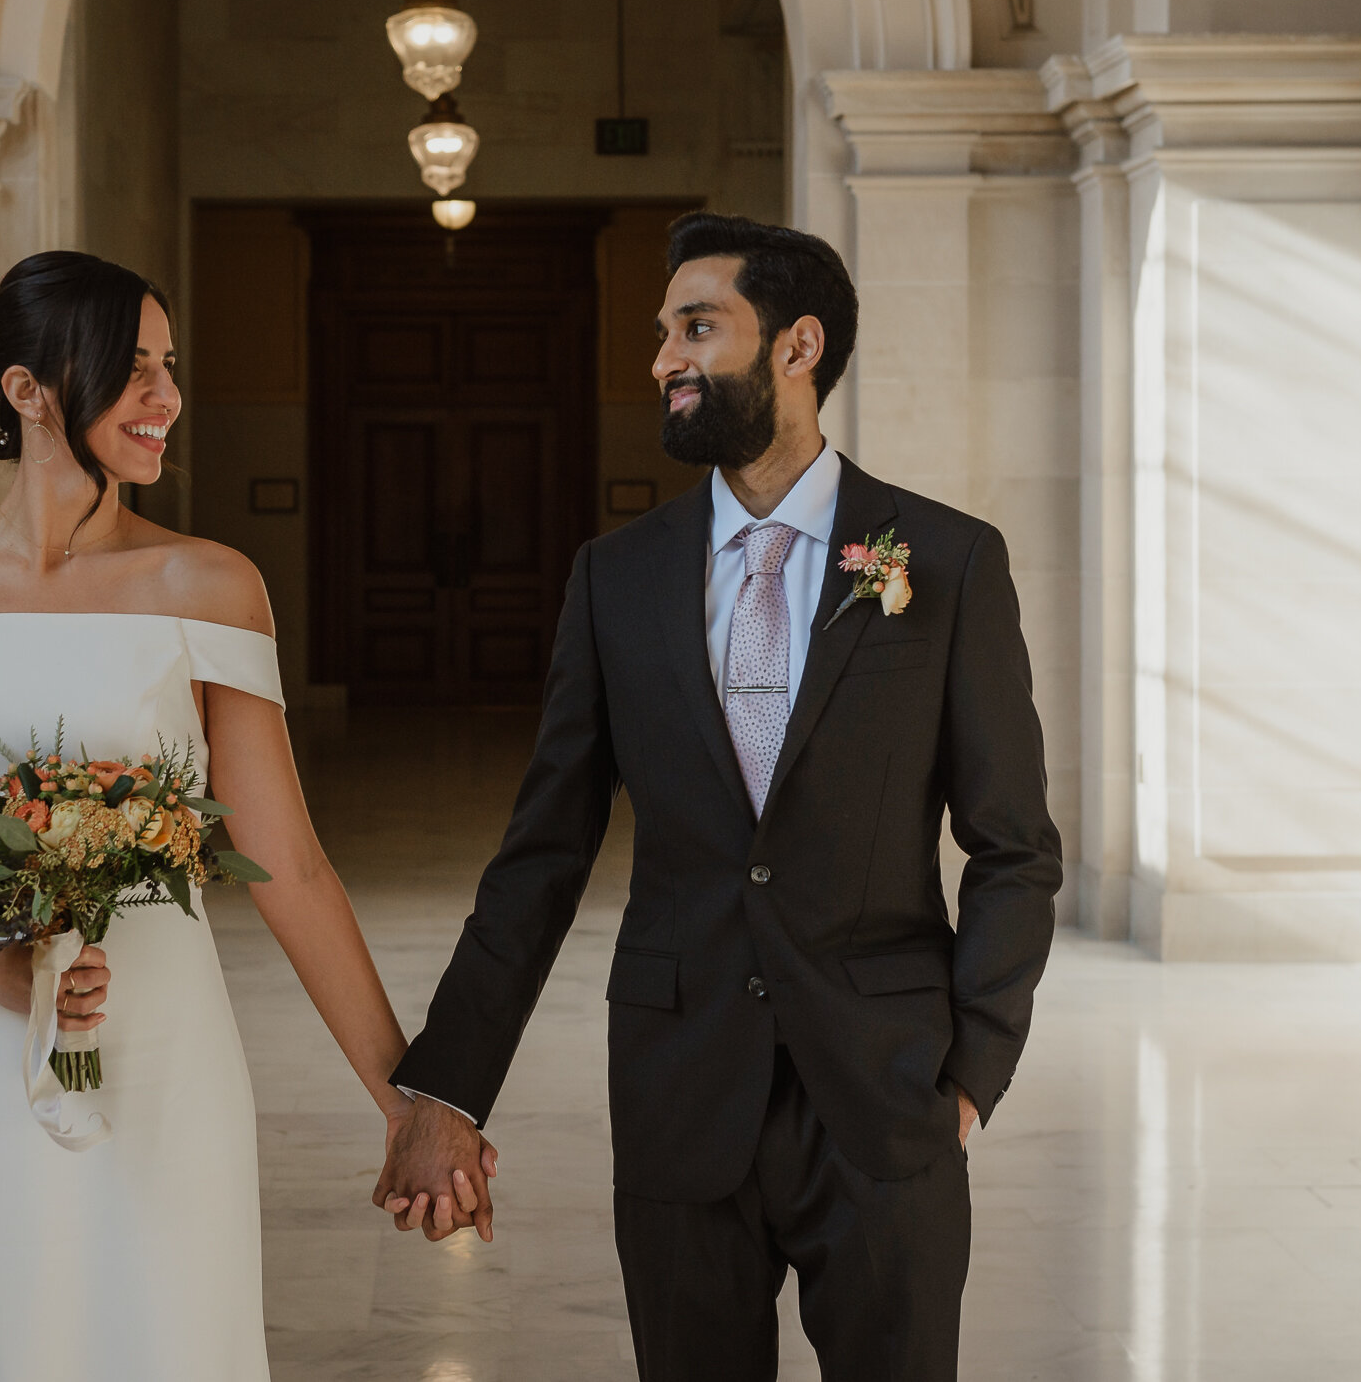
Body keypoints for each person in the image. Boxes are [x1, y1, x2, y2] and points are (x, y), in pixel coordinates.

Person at [372, 212, 1064, 1380]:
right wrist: (445, 1086)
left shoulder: (945, 561)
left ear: (796, 347)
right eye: (661, 333)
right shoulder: (616, 579)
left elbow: (1013, 846)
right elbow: (541, 857)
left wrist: (969, 1077)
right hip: (678, 1090)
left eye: (697, 327)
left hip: (884, 1095)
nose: (661, 360)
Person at [0, 251, 448, 1380]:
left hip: (160, 1039)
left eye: (169, 367)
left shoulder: (210, 584)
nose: (167, 398)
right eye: (132, 368)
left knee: (163, 1333)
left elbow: (288, 863)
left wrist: (404, 1097)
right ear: (30, 388)